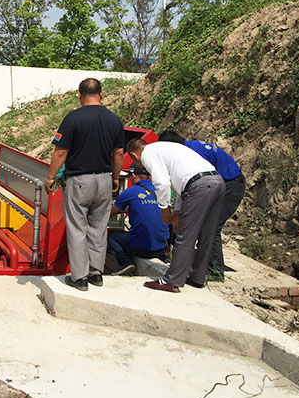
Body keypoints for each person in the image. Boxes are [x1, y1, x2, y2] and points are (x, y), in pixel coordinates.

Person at [45, 78, 124, 292]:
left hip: (79, 181)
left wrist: (51, 177)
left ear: (79, 95)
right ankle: (96, 273)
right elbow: (118, 154)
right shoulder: (114, 120)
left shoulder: (73, 119)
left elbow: (61, 151)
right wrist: (115, 178)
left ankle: (79, 277)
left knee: (78, 227)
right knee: (98, 228)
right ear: (102, 93)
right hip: (104, 179)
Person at [126, 138, 224, 292]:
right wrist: (177, 211)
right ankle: (197, 277)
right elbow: (181, 185)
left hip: (198, 186)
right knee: (207, 234)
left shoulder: (147, 154)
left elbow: (162, 183)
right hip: (216, 181)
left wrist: (164, 209)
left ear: (133, 155)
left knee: (185, 235)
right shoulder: (166, 149)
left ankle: (170, 281)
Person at [158, 130, 245, 282]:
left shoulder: (190, 153)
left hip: (230, 185)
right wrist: (178, 211)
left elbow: (191, 184)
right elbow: (185, 186)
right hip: (220, 184)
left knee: (212, 227)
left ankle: (215, 271)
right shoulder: (191, 148)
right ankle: (197, 267)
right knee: (201, 225)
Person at [108, 163, 170, 275]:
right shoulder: (159, 189)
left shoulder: (130, 192)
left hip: (142, 250)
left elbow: (109, 214)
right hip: (162, 246)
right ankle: (163, 257)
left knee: (113, 237)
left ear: (133, 175)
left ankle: (126, 263)